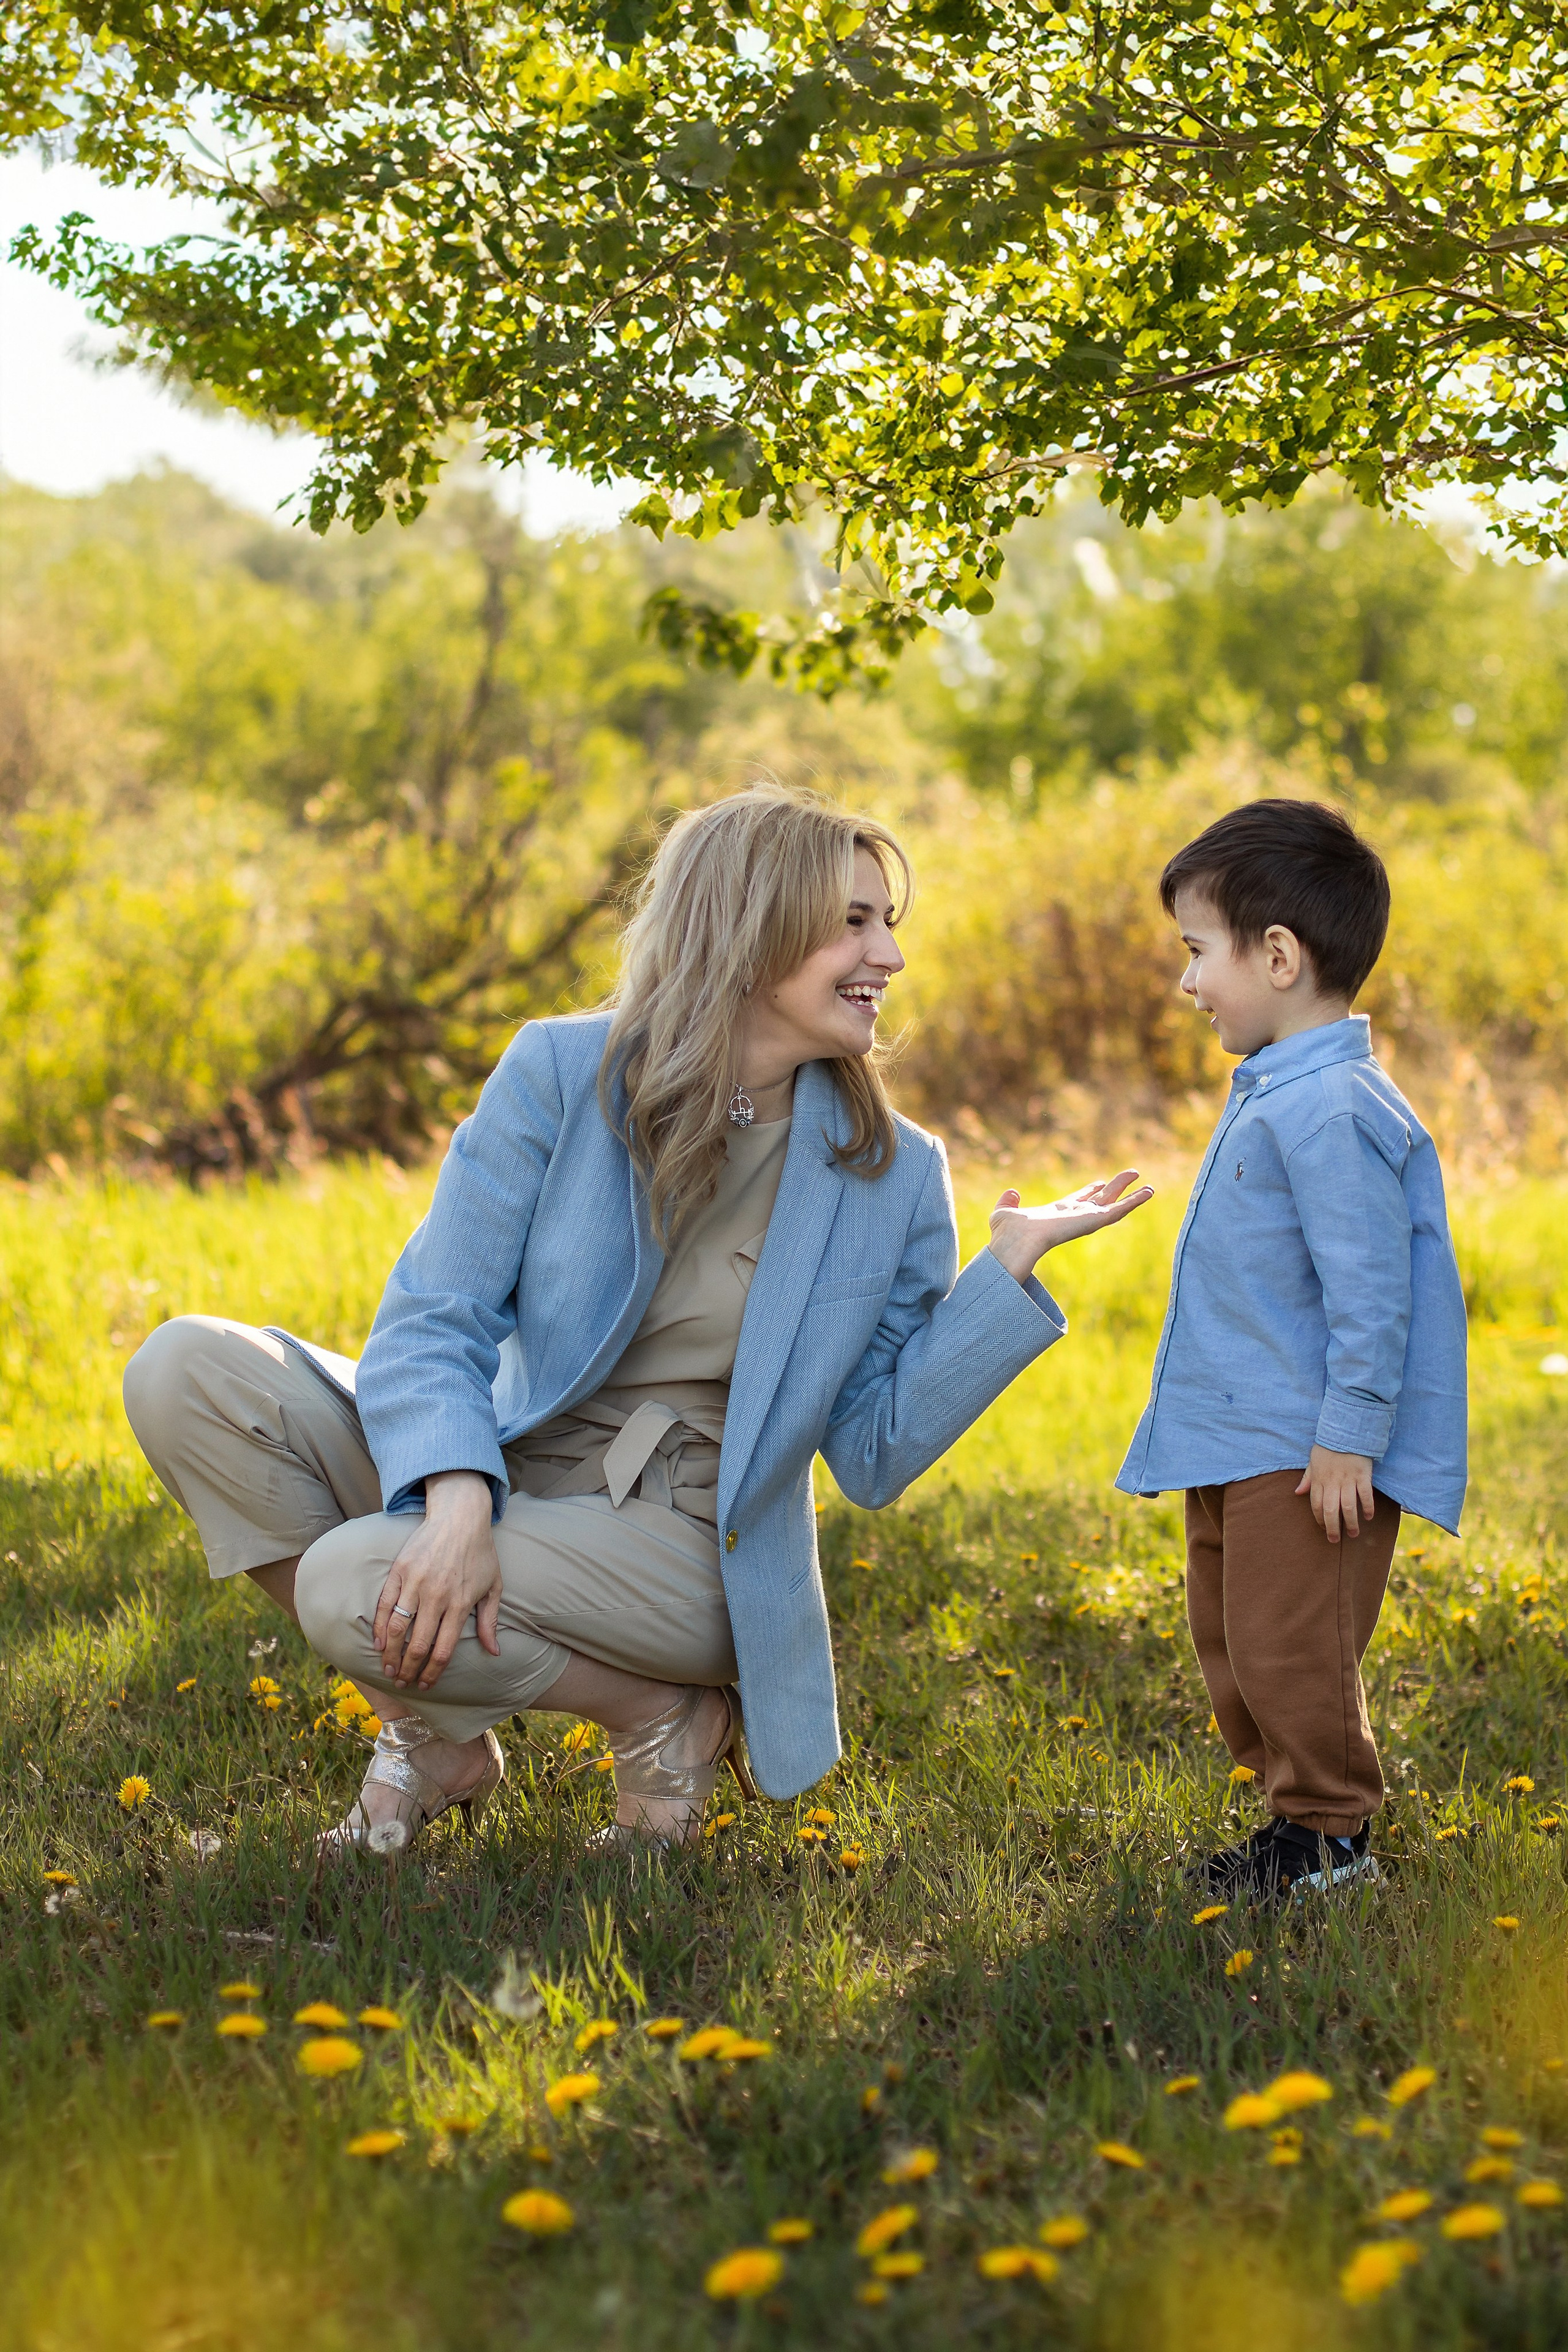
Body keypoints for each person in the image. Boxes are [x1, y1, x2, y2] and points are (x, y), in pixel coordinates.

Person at [126, 786, 1152, 1856]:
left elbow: (875, 1452)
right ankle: (431, 1735)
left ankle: (665, 1712)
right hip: (511, 1453)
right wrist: (457, 1497)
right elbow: (435, 1314)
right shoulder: (561, 1074)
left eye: (888, 923)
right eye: (854, 922)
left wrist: (1004, 1275)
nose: (889, 956)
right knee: (186, 1369)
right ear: (752, 931)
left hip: (691, 1539)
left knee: (350, 1582)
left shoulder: (894, 1171)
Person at [1118, 799, 1467, 1902]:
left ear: (1277, 956)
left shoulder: (1332, 1109)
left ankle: (1328, 1833)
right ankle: (1295, 1821)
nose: (1187, 982)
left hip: (1307, 1451)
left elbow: (1373, 1293)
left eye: (1197, 951)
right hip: (1241, 1436)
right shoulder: (1286, 1091)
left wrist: (1349, 1438)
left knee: (1287, 1645)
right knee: (1231, 1641)